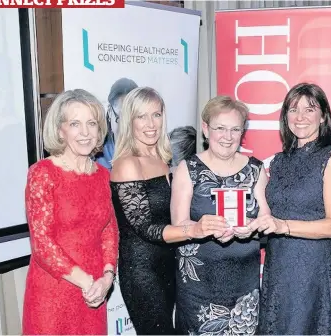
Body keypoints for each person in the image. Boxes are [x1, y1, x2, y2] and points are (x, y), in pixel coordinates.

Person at [252, 83, 331, 335]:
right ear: (285, 117)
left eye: (310, 110)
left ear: (323, 117)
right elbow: (269, 215)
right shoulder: (278, 161)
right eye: (293, 110)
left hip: (309, 270)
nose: (300, 117)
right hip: (277, 268)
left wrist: (282, 226)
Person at [170, 96, 270, 335]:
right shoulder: (188, 169)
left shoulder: (256, 169)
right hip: (198, 286)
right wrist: (199, 227)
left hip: (243, 286)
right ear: (206, 129)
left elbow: (266, 217)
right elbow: (178, 226)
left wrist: (254, 226)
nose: (228, 136)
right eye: (220, 128)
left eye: (235, 129)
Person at [22, 89, 118, 335]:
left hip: (95, 291)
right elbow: (42, 245)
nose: (85, 133)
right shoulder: (43, 174)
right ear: (60, 130)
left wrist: (107, 278)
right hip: (54, 292)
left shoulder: (103, 176)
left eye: (91, 123)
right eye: (75, 124)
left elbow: (109, 231)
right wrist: (87, 282)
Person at [110, 87, 195, 334]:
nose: (151, 124)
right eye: (141, 116)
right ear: (129, 121)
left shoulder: (161, 159)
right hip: (141, 272)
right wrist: (194, 230)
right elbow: (146, 228)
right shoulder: (127, 164)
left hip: (168, 265)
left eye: (156, 115)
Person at [95, 78, 138, 170]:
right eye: (121, 117)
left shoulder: (151, 151)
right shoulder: (95, 152)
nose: (127, 126)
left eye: (133, 117)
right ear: (110, 112)